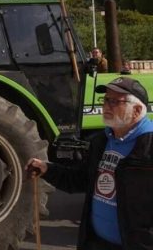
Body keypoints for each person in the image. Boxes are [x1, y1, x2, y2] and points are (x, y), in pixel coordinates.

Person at [26, 77, 153, 249]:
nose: (106, 106)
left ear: (137, 110)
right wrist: (47, 169)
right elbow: (81, 179)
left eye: (115, 101)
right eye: (105, 99)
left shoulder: (148, 146)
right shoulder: (101, 141)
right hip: (96, 243)